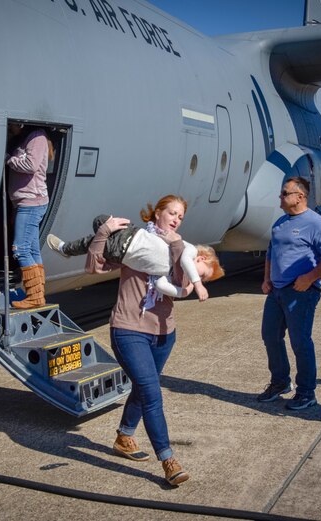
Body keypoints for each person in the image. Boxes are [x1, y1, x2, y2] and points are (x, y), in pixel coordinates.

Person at [84, 195, 191, 486]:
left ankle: (124, 436)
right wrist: (103, 232)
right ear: (158, 213)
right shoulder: (133, 241)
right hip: (129, 328)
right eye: (171, 213)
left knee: (144, 388)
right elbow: (94, 267)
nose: (176, 219)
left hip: (164, 332)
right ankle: (169, 461)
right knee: (152, 392)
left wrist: (177, 246)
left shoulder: (176, 246)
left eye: (180, 216)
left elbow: (182, 286)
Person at [257, 177, 321, 410]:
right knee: (270, 336)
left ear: (300, 197)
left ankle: (306, 392)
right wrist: (266, 279)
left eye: (285, 193)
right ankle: (280, 383)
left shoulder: (316, 223)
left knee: (300, 342)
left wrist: (309, 278)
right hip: (277, 291)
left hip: (301, 293)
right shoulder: (280, 223)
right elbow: (270, 253)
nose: (281, 197)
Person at [46, 215, 224, 302]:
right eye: (203, 275)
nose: (199, 278)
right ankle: (68, 248)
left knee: (95, 241)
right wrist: (197, 285)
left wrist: (181, 292)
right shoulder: (189, 251)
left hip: (125, 250)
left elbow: (161, 285)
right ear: (202, 258)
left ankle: (65, 249)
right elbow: (186, 261)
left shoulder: (171, 272)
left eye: (202, 279)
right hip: (133, 234)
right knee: (102, 222)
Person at [6, 122, 53, 309]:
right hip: (26, 201)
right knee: (32, 250)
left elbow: (30, 165)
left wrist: (8, 159)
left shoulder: (36, 137)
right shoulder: (28, 138)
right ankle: (37, 295)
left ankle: (34, 297)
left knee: (21, 249)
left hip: (31, 201)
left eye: (13, 124)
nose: (11, 127)